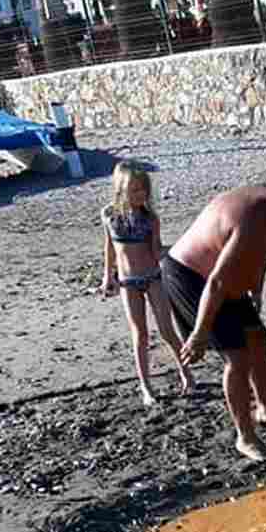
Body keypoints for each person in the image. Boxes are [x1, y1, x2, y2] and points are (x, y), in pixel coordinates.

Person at [162, 169, 266, 461]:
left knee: (258, 337)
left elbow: (263, 253)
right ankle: (245, 438)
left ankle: (265, 409)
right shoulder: (254, 216)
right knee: (236, 357)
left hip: (223, 277)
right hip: (190, 276)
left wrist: (256, 291)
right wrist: (199, 333)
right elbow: (217, 281)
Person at [99, 161, 195, 407]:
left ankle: (186, 372)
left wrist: (181, 249)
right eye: (135, 190)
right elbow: (110, 247)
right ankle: (146, 387)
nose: (141, 194)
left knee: (166, 331)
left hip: (153, 278)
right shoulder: (109, 215)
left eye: (144, 189)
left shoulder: (151, 218)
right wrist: (107, 277)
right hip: (128, 283)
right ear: (121, 189)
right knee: (139, 335)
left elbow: (155, 250)